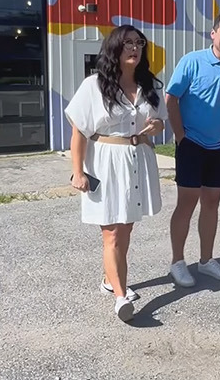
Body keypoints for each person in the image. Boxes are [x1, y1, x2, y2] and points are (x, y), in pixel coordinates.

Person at [65, 24, 166, 324]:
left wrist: (156, 127)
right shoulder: (94, 86)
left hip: (137, 158)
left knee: (126, 229)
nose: (134, 48)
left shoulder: (150, 85)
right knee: (110, 233)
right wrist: (77, 172)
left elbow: (158, 121)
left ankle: (110, 278)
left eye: (139, 43)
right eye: (128, 43)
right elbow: (79, 133)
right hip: (105, 162)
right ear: (114, 48)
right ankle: (120, 296)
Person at [165, 10, 220, 289]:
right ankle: (178, 262)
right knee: (187, 203)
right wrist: (180, 136)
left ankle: (206, 260)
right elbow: (171, 99)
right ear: (213, 34)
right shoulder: (192, 62)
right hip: (191, 144)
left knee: (212, 203)